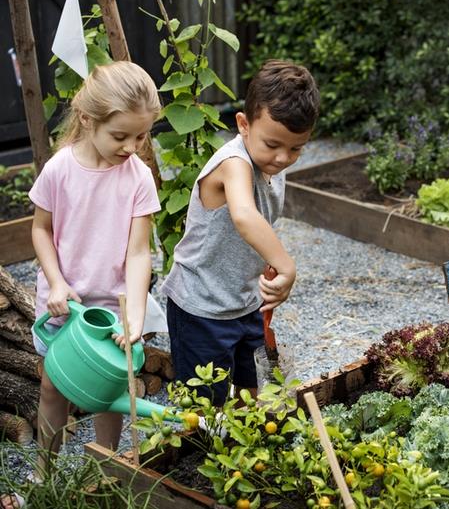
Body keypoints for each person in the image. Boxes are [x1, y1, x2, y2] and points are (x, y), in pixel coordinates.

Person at [2, 61, 161, 508]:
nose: (132, 147)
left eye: (142, 136)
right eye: (121, 136)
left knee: (111, 390)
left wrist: (132, 314)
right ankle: (43, 471)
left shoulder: (139, 178)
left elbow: (137, 252)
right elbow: (40, 231)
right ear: (89, 121)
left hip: (114, 304)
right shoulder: (59, 171)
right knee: (53, 387)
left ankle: (107, 465)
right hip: (63, 304)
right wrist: (56, 282)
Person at [161, 59, 319, 405]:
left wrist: (265, 266)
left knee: (252, 388)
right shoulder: (233, 164)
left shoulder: (272, 164)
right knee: (205, 408)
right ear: (244, 125)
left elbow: (258, 225)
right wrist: (287, 266)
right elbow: (246, 216)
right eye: (273, 144)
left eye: (296, 148)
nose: (282, 157)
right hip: (201, 307)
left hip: (244, 302)